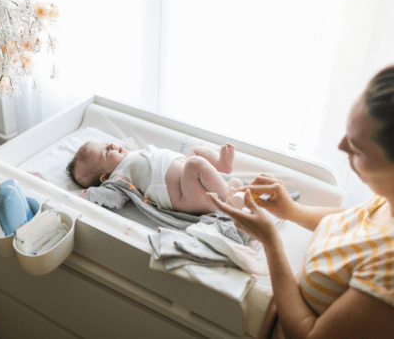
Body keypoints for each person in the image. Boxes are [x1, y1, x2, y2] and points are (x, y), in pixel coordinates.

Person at [208, 65, 394, 338]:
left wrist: (270, 240)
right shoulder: (386, 200)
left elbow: (308, 334)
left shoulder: (388, 274)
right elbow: (358, 224)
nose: (340, 147)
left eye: (356, 148)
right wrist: (293, 211)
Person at [66, 140, 243, 214]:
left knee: (193, 151)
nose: (112, 144)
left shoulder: (132, 154)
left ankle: (221, 167)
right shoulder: (117, 178)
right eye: (106, 152)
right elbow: (110, 198)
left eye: (106, 143)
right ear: (104, 177)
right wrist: (85, 195)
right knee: (194, 163)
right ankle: (226, 198)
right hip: (186, 196)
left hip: (192, 181)